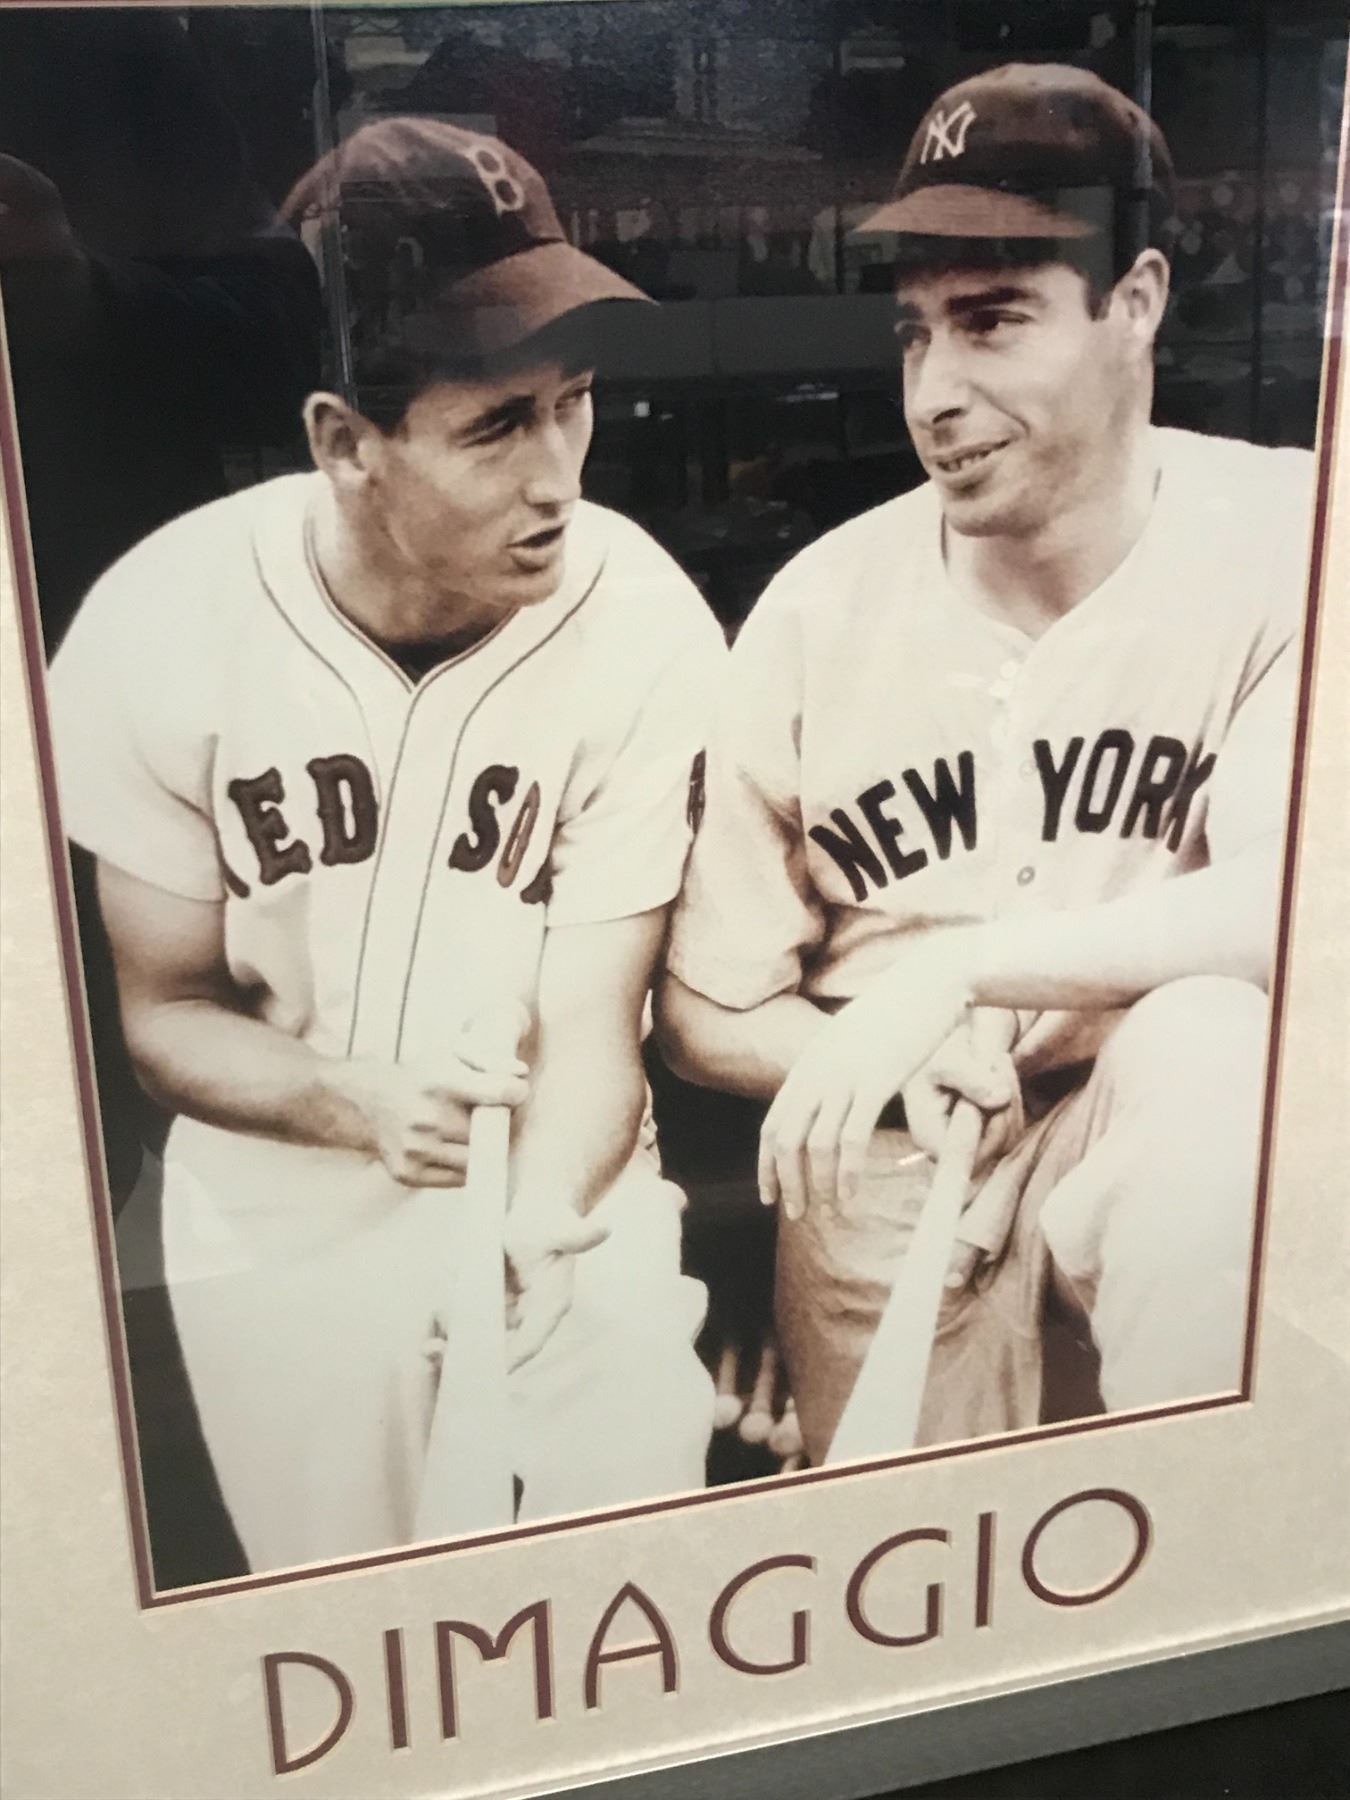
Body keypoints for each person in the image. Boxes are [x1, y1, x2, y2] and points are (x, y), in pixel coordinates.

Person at [46, 117, 722, 1574]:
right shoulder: (161, 625)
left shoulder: (644, 617)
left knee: (635, 1560)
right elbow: (163, 1012)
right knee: (369, 1631)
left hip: (562, 1165)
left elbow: (594, 1023)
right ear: (344, 443)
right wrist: (348, 1102)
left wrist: (541, 1218)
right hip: (278, 1202)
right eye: (496, 426)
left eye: (575, 405)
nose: (559, 477)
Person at [656, 65, 1314, 1465]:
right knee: (909, 1566)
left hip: (1146, 1148)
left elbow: (1293, 904)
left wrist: (953, 972)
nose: (933, 396)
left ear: (1134, 300)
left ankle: (1216, 1521)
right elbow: (704, 1008)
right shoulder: (820, 610)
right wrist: (877, 1050)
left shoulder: (1286, 537)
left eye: (992, 319)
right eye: (914, 334)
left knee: (1209, 1051)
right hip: (894, 1176)